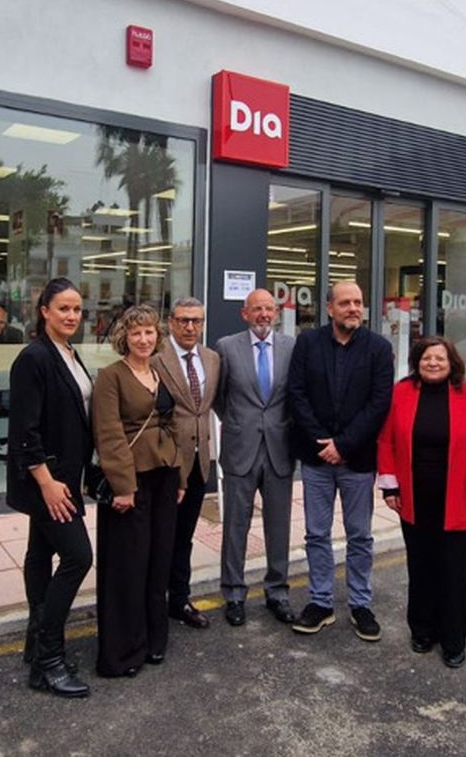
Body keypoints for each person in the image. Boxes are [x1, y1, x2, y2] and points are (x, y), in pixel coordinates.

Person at [377, 336, 466, 668]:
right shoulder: (401, 392)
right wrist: (390, 486)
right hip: (414, 497)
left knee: (454, 571)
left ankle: (454, 638)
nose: (433, 363)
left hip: (457, 498)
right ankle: (423, 629)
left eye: (439, 358)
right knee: (421, 566)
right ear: (417, 361)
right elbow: (386, 440)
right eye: (426, 358)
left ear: (452, 362)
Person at [287, 280, 394, 640]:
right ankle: (320, 602)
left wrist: (343, 446)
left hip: (357, 460)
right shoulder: (308, 342)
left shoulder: (379, 348)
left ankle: (361, 604)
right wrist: (323, 443)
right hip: (316, 460)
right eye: (345, 302)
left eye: (358, 302)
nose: (353, 308)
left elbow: (379, 404)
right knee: (316, 534)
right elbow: (296, 394)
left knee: (360, 535)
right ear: (329, 308)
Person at [6, 278, 94, 698]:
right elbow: (24, 430)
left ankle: (34, 645)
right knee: (78, 556)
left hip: (65, 477)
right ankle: (49, 659)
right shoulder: (34, 357)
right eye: (63, 308)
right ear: (44, 311)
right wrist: (46, 483)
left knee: (40, 553)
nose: (72, 316)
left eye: (77, 309)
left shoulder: (69, 354)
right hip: (49, 482)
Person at [91, 305, 179, 678]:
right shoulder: (111, 377)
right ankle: (124, 651)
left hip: (164, 476)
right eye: (136, 333)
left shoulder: (158, 371)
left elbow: (170, 422)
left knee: (158, 561)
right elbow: (109, 435)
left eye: (149, 333)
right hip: (131, 481)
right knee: (129, 565)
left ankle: (153, 639)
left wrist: (182, 477)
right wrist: (123, 487)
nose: (143, 339)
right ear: (123, 337)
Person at [213, 288, 298, 626]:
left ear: (275, 313)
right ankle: (234, 594)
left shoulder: (291, 347)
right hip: (240, 449)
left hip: (279, 449)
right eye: (256, 309)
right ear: (244, 314)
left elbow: (295, 395)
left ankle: (277, 592)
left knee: (279, 527)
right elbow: (219, 398)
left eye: (269, 309)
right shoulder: (226, 347)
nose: (264, 314)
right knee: (235, 526)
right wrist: (239, 423)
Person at [152, 297, 218, 631]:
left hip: (199, 464)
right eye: (183, 321)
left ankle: (179, 600)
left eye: (196, 321)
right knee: (160, 536)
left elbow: (209, 407)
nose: (190, 327)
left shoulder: (212, 359)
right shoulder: (155, 360)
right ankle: (152, 602)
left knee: (185, 537)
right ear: (171, 323)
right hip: (165, 465)